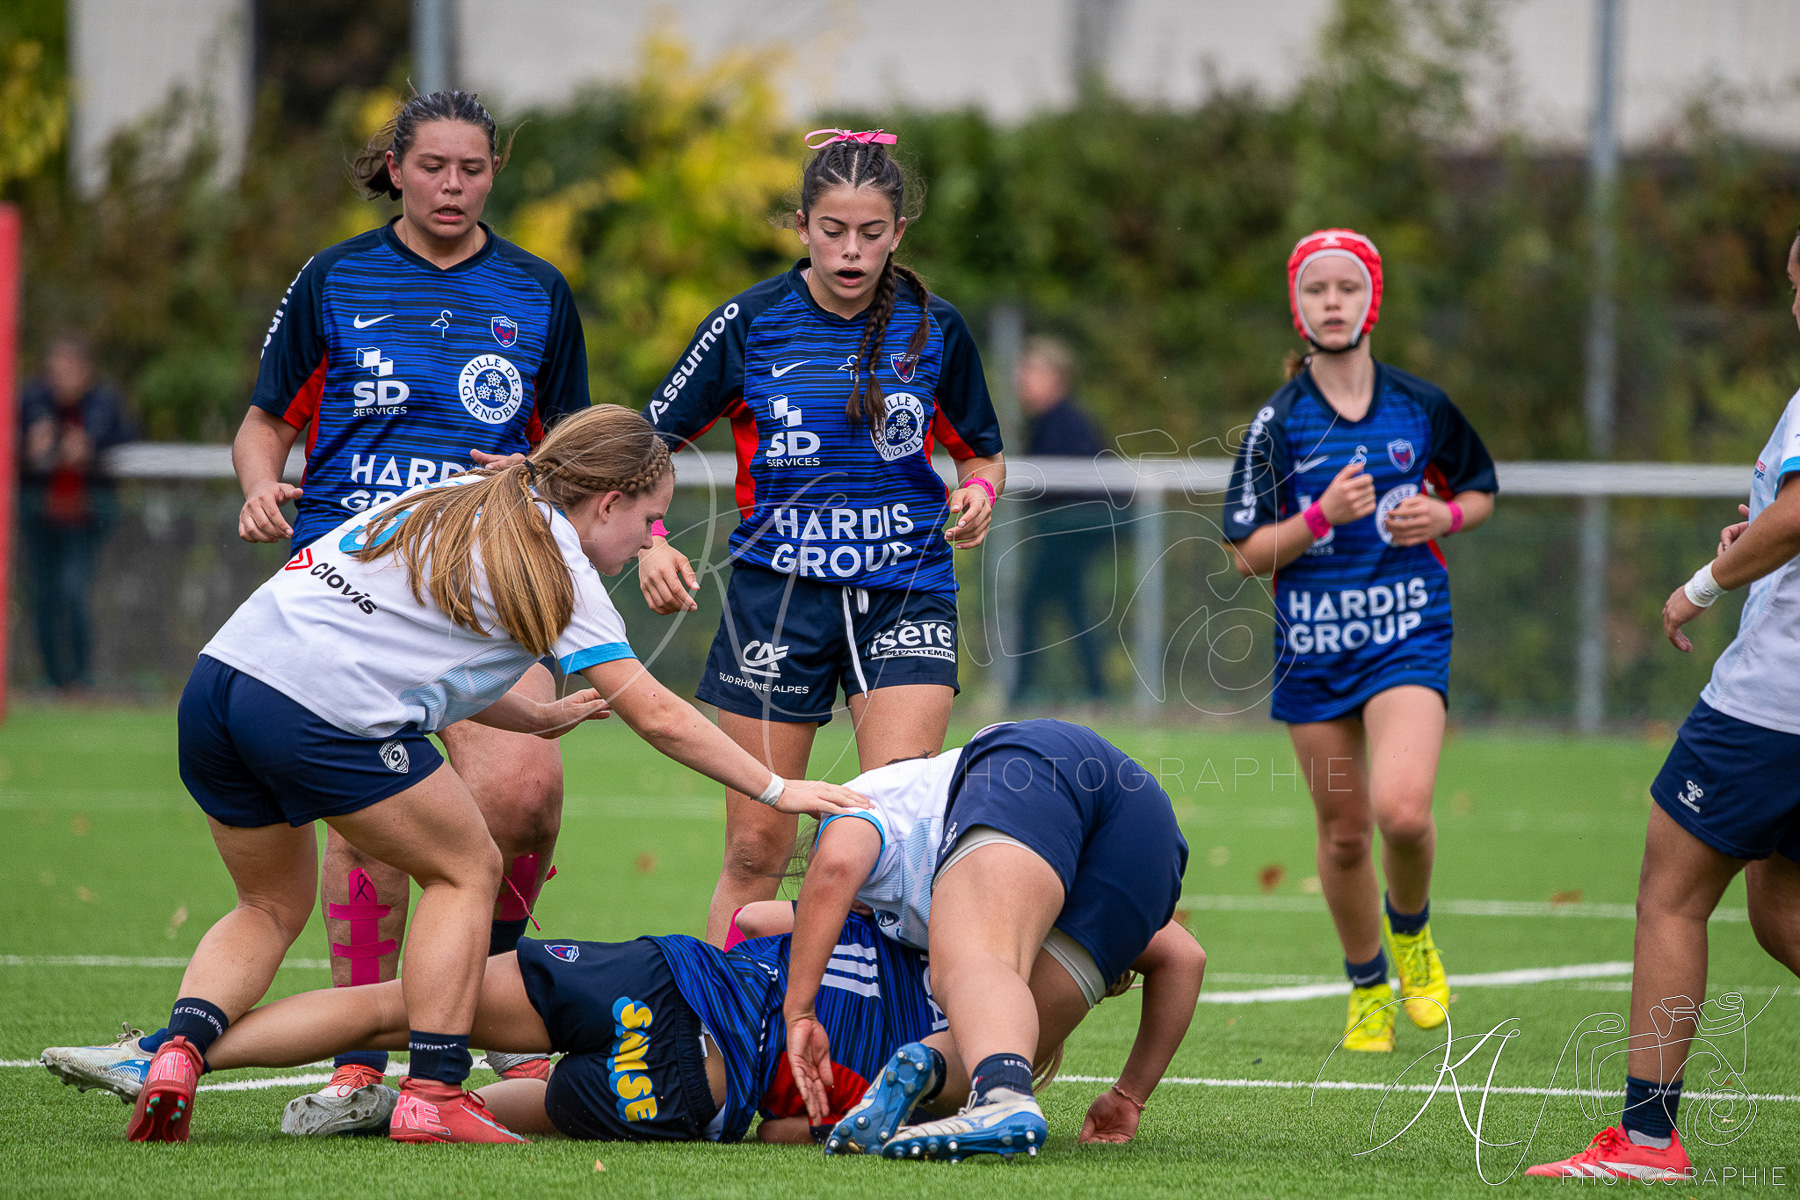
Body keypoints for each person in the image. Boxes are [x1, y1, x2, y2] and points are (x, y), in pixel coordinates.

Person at [124, 405, 865, 1144]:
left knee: (267, 905)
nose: (649, 537)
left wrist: (535, 720)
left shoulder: (455, 496)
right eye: (650, 518)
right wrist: (777, 789)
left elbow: (437, 657)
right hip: (312, 709)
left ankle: (176, 1056)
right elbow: (659, 715)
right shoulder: (562, 566)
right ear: (608, 502)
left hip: (221, 685)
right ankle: (434, 1091)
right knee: (468, 865)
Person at [231, 89, 590, 1105]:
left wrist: (535, 477)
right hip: (350, 593)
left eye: (472, 169)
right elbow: (265, 423)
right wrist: (262, 483)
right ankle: (361, 1057)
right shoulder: (334, 278)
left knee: (527, 793)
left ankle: (492, 998)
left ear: (493, 174)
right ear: (394, 166)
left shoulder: (536, 290)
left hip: (487, 590)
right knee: (373, 824)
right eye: (433, 166)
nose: (452, 186)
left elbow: (575, 450)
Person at [636, 128, 1005, 945]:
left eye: (871, 234)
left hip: (906, 589)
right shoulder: (748, 322)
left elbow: (981, 449)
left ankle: (872, 1032)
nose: (852, 250)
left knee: (887, 835)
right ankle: (725, 1036)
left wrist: (978, 490)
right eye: (833, 231)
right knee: (756, 844)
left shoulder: (936, 328)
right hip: (776, 599)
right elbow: (642, 444)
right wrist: (653, 538)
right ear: (802, 226)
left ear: (898, 234)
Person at [42, 909, 1189, 1146]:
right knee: (501, 1112)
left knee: (404, 1009)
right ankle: (399, 1107)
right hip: (688, 1098)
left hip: (666, 986)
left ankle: (172, 1049)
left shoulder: (949, 909)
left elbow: (760, 913)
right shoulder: (1008, 1062)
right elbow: (809, 1135)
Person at [1525, 231, 1800, 1182]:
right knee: (1781, 910)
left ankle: (1645, 1139)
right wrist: (1757, 541)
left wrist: (1704, 583)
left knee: (1672, 896)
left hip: (1775, 706)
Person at [1223, 229, 1497, 1054]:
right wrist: (1317, 519)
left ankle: (1410, 933)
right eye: (1316, 290)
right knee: (1344, 834)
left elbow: (1480, 491)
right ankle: (1368, 981)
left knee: (1402, 812)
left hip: (1408, 634)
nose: (1332, 302)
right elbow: (1245, 554)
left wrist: (1444, 515)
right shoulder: (1276, 424)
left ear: (1371, 298)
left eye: (1347, 287)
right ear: (1297, 305)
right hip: (1314, 651)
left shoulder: (1421, 405)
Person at [779, 718, 1199, 1161]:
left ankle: (1001, 1103)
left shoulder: (863, 802)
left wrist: (800, 1009)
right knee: (1002, 1048)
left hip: (1034, 765)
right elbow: (1183, 956)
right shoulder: (904, 911)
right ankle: (929, 1070)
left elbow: (834, 867)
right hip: (1150, 833)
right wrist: (1127, 1098)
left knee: (967, 965)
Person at [18, 333, 136, 693]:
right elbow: (15, 445)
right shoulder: (30, 400)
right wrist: (27, 447)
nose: (62, 377)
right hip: (39, 511)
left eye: (70, 369)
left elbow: (128, 439)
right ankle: (52, 679)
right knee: (42, 595)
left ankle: (80, 677)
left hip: (86, 513)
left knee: (72, 591)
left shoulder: (105, 402)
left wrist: (90, 448)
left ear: (86, 371)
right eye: (56, 369)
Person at [1012, 336, 1112, 703]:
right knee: (1068, 609)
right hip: (1062, 534)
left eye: (1030, 371)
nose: (1021, 379)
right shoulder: (1046, 422)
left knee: (1039, 606)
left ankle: (1022, 691)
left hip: (1072, 534)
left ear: (1055, 378)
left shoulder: (1066, 423)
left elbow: (1075, 488)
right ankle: (1095, 690)